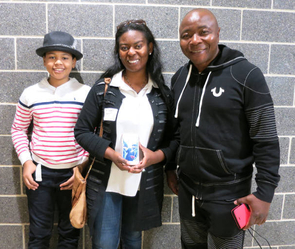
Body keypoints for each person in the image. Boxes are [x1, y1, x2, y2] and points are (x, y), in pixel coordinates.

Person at [165, 8, 280, 249]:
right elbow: (176, 130)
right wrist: (170, 168)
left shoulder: (246, 74)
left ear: (218, 33)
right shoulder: (179, 79)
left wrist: (265, 193)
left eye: (203, 32)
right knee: (190, 246)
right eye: (186, 35)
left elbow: (266, 138)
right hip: (188, 191)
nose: (194, 40)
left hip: (230, 195)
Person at [74, 19, 176, 249]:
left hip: (144, 183)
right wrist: (111, 154)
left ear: (150, 47)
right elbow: (81, 131)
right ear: (118, 51)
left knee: (132, 242)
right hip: (105, 182)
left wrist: (155, 157)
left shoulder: (162, 94)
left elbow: (175, 139)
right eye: (124, 47)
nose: (131, 52)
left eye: (138, 45)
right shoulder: (104, 89)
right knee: (105, 244)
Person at [11, 31, 91, 249]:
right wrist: (27, 162)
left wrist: (81, 168)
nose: (58, 63)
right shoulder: (31, 93)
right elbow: (18, 129)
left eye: (65, 57)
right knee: (39, 233)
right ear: (44, 60)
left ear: (74, 62)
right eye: (52, 57)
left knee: (70, 232)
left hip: (73, 174)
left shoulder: (85, 93)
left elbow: (92, 133)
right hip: (40, 173)